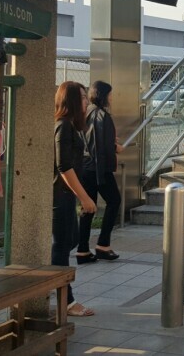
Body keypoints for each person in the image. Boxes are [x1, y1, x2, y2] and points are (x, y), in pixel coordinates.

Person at [52, 81, 96, 317]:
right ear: (69, 99)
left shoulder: (71, 126)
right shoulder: (63, 126)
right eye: (81, 96)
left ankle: (52, 282)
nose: (86, 101)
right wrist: (85, 197)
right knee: (61, 246)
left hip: (67, 195)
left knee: (71, 240)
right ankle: (65, 301)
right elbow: (64, 166)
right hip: (61, 196)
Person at [77, 81, 123, 264]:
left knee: (88, 207)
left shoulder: (86, 112)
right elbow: (101, 146)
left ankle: (82, 250)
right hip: (99, 168)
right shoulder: (102, 115)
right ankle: (103, 245)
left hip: (85, 166)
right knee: (114, 201)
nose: (112, 98)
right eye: (110, 94)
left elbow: (91, 140)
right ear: (103, 95)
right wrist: (115, 149)